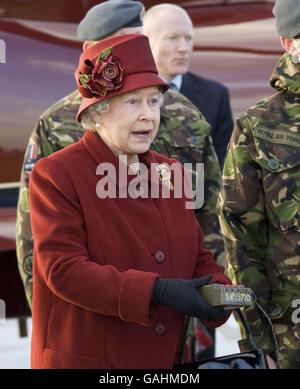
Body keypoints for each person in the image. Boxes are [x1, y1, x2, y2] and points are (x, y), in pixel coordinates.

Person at [29, 33, 231, 369]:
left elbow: (195, 254)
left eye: (153, 102)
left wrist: (220, 289)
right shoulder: (57, 174)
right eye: (133, 102)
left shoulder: (172, 171)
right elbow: (63, 271)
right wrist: (156, 291)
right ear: (98, 112)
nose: (148, 116)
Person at [16, 0, 223, 313]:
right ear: (90, 49)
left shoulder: (187, 116)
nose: (147, 115)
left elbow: (206, 208)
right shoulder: (55, 123)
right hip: (94, 306)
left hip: (178, 307)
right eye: (121, 44)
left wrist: (214, 287)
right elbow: (35, 234)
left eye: (140, 43)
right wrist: (47, 311)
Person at [218, 0, 300, 369]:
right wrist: (257, 338)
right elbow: (240, 236)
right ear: (289, 43)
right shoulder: (258, 125)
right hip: (292, 333)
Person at [143, 3, 234, 166]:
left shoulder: (215, 95)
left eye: (189, 38)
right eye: (172, 38)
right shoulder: (126, 94)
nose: (183, 48)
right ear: (145, 40)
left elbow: (224, 166)